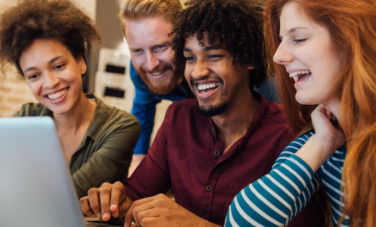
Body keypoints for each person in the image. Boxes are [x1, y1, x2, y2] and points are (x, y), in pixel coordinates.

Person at [79, 0, 325, 226]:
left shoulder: (291, 136)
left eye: (213, 56)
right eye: (189, 58)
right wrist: (113, 200)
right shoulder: (178, 119)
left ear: (248, 58)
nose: (197, 72)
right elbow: (136, 193)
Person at [226, 0, 376, 226]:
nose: (277, 55)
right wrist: (323, 141)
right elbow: (244, 220)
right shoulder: (323, 140)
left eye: (298, 39)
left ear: (354, 39)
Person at [0, 0, 141, 199]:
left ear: (81, 62)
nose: (50, 83)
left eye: (58, 66)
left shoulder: (120, 127)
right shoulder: (25, 118)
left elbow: (71, 195)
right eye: (34, 75)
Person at [119, 0, 279, 163]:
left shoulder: (262, 84)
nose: (151, 64)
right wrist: (138, 160)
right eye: (137, 50)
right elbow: (143, 110)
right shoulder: (141, 71)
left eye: (161, 47)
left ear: (184, 37)